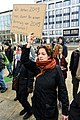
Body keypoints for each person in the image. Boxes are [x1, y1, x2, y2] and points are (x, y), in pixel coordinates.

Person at [21, 35, 69, 120]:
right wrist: (29, 43)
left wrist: (65, 111)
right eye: (39, 54)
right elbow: (24, 60)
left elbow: (63, 90)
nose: (40, 56)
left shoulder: (56, 69)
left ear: (49, 55)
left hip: (49, 109)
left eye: (43, 54)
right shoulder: (37, 67)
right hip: (37, 107)